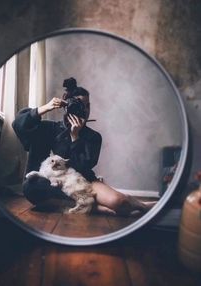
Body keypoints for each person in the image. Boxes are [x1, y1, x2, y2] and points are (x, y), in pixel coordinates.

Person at [12, 77, 155, 216]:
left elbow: (82, 167)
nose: (85, 110)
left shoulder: (93, 137)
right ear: (67, 106)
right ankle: (92, 207)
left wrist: (76, 138)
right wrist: (44, 108)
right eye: (80, 105)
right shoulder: (50, 129)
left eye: (88, 105)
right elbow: (18, 124)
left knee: (120, 202)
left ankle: (139, 204)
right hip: (54, 184)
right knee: (30, 187)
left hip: (82, 182)